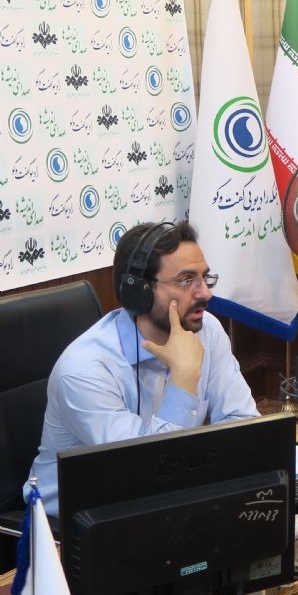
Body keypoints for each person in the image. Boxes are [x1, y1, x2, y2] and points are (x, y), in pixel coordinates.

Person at [25, 221, 259, 515]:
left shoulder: (206, 330)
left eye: (204, 278)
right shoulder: (84, 370)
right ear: (140, 292)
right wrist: (183, 379)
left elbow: (243, 423)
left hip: (163, 505)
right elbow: (149, 472)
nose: (205, 294)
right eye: (187, 280)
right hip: (74, 523)